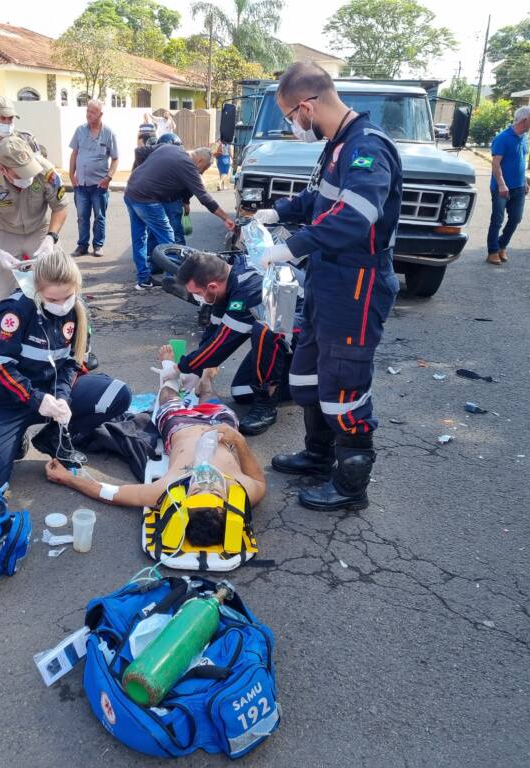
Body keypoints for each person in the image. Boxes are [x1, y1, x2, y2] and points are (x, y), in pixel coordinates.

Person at [251, 62, 402, 512]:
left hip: (357, 282)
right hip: (328, 279)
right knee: (307, 375)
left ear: (308, 105)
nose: (294, 125)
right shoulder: (339, 145)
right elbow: (321, 199)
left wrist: (290, 248)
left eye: (292, 116)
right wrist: (278, 212)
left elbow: (355, 217)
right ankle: (318, 455)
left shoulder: (367, 148)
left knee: (344, 383)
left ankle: (351, 486)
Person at [0, 249, 132, 488]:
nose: (62, 306)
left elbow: (72, 363)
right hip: (8, 400)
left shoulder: (78, 311)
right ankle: (15, 437)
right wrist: (35, 398)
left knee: (117, 394)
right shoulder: (15, 311)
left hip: (51, 392)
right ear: (36, 290)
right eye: (52, 300)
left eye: (68, 297)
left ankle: (54, 438)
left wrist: (61, 398)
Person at [45, 345, 266, 511]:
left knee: (167, 396)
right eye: (215, 490)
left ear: (186, 498)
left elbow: (109, 492)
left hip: (180, 425)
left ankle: (169, 371)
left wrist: (67, 478)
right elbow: (259, 481)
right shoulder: (243, 491)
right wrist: (239, 442)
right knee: (209, 397)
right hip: (221, 425)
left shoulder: (168, 490)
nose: (206, 480)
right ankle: (206, 379)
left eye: (198, 488)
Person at [175, 250, 301, 435]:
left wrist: (181, 367)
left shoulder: (247, 289)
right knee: (242, 391)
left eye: (196, 293)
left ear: (211, 286)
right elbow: (213, 331)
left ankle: (267, 405)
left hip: (315, 329)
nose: (196, 298)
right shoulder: (228, 279)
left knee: (265, 329)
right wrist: (196, 370)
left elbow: (221, 345)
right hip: (287, 333)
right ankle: (303, 384)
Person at [0, 136, 69, 301]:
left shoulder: (45, 171)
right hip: (5, 234)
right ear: (3, 169)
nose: (27, 176)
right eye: (20, 173)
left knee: (58, 283)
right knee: (3, 294)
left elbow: (60, 206)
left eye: (28, 169)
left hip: (40, 231)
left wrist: (51, 237)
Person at [124, 144, 235, 291]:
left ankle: (143, 279)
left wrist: (139, 173)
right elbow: (204, 197)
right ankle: (172, 281)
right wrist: (225, 218)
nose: (202, 173)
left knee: (139, 238)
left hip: (131, 191)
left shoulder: (170, 148)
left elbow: (139, 151)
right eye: (205, 168)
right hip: (147, 200)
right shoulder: (188, 166)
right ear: (200, 160)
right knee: (169, 239)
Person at [69, 99, 119, 258]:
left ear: (100, 114)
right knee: (82, 217)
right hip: (81, 184)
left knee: (99, 217)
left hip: (99, 186)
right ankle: (82, 246)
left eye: (92, 112)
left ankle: (98, 245)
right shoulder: (80, 130)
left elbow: (115, 158)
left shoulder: (109, 133)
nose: (88, 115)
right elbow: (74, 153)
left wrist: (108, 178)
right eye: (87, 111)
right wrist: (71, 175)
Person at [487, 106, 530, 265]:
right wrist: (501, 184)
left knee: (516, 218)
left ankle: (502, 246)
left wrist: (525, 181)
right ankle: (493, 251)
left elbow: (521, 162)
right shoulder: (503, 138)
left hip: (519, 188)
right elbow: (495, 164)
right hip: (501, 188)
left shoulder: (524, 138)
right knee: (497, 219)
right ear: (524, 120)